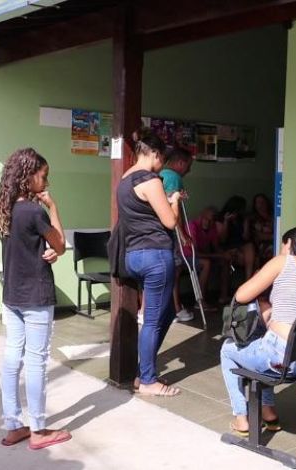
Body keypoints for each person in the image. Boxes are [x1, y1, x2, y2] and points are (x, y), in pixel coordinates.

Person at [0, 148, 72, 449]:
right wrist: (53, 206)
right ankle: (38, 429)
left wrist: (46, 251)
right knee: (36, 361)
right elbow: (61, 244)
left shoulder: (5, 207)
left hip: (11, 295)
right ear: (28, 176)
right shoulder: (35, 211)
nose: (46, 182)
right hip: (36, 295)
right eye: (43, 175)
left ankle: (13, 426)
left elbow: (31, 246)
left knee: (12, 358)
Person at [220, 227, 296, 435]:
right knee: (265, 345)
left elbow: (242, 295)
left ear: (288, 244)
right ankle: (269, 413)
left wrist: (259, 276)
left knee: (228, 350)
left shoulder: (283, 261)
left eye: (282, 245)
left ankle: (241, 419)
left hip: (280, 360)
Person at [118, 129, 182, 397]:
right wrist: (175, 201)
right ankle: (147, 380)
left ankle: (143, 368)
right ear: (154, 154)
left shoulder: (124, 180)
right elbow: (170, 221)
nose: (162, 166)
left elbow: (143, 211)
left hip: (133, 255)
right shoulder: (151, 180)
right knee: (153, 320)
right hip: (155, 256)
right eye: (162, 160)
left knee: (166, 312)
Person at [160, 146, 195, 323]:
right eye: (188, 165)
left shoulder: (161, 174)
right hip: (168, 232)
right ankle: (175, 309)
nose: (189, 170)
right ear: (180, 163)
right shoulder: (174, 178)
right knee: (174, 269)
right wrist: (182, 234)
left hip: (155, 232)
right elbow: (174, 210)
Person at [183, 206, 233, 305]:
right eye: (206, 219)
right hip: (187, 257)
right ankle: (200, 302)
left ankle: (223, 297)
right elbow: (195, 253)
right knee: (206, 263)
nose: (208, 222)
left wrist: (224, 254)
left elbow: (215, 246)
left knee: (224, 261)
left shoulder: (213, 226)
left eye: (211, 220)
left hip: (203, 255)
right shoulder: (192, 225)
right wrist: (219, 256)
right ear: (201, 216)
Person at [217, 195, 256, 282]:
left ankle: (248, 281)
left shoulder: (241, 218)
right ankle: (248, 284)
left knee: (249, 246)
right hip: (227, 247)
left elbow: (246, 238)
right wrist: (226, 222)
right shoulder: (220, 218)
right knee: (242, 258)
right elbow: (223, 239)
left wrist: (246, 223)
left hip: (241, 246)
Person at [245, 193, 274, 267]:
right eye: (258, 202)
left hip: (276, 241)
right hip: (260, 245)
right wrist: (274, 236)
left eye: (263, 202)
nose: (261, 204)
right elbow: (260, 236)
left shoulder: (274, 216)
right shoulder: (253, 219)